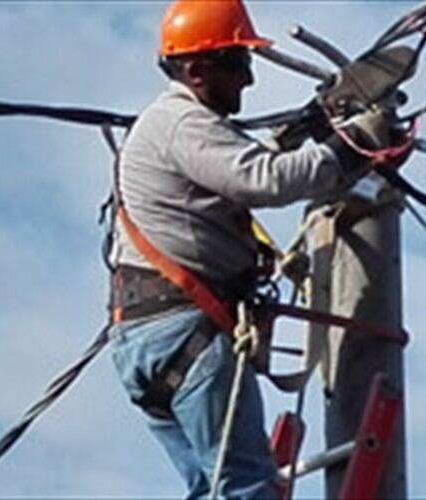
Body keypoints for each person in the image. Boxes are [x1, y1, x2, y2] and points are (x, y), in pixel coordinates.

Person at [106, 1, 405, 498]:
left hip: (150, 339)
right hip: (183, 334)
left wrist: (311, 135)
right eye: (239, 63)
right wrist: (351, 146)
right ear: (198, 69)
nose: (248, 79)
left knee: (214, 488)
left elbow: (245, 161)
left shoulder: (183, 128)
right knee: (245, 490)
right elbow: (263, 179)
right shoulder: (179, 123)